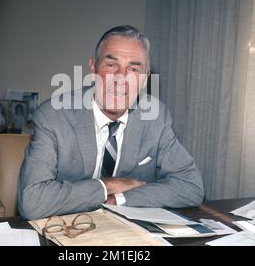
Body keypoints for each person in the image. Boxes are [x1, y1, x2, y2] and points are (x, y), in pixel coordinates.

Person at [18, 25, 204, 220]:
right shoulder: (53, 116)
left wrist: (119, 199)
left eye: (133, 68)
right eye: (110, 65)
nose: (121, 78)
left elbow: (191, 186)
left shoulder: (156, 117)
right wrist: (108, 186)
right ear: (92, 68)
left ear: (144, 79)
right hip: (67, 228)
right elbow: (33, 202)